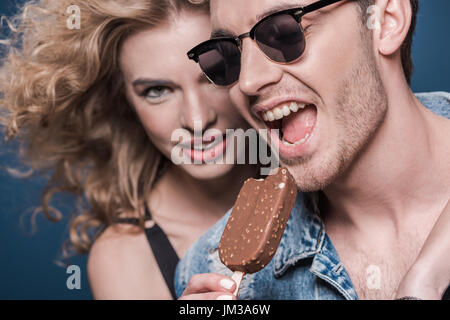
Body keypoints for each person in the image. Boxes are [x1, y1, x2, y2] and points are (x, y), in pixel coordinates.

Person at [176, 0, 450, 300]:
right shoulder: (209, 268)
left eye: (283, 32)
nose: (248, 81)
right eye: (227, 54)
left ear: (385, 21)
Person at [0, 0, 259, 299]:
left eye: (215, 74)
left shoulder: (318, 180)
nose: (197, 120)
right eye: (157, 91)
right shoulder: (125, 259)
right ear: (124, 101)